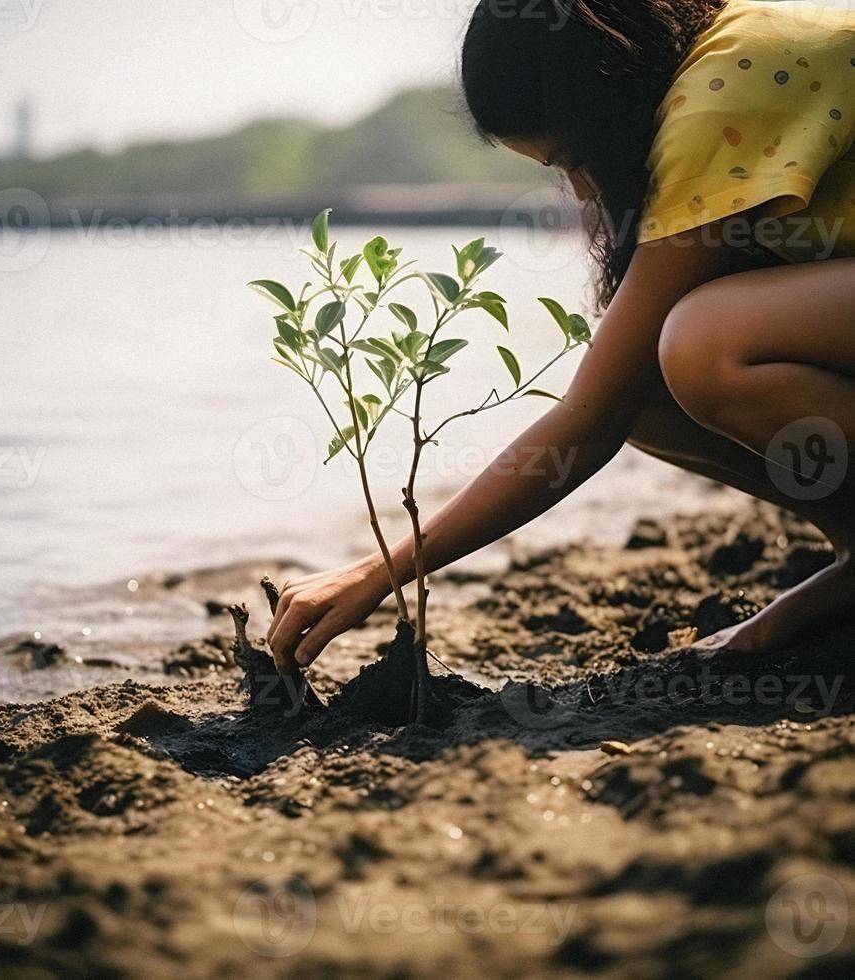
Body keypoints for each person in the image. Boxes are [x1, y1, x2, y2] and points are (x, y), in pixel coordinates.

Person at [268, 0, 855, 670]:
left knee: (701, 344)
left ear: (609, 92)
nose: (580, 192)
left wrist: (379, 572)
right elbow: (611, 397)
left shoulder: (728, 92)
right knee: (647, 386)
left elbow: (589, 419)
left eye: (573, 158)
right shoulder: (707, 71)